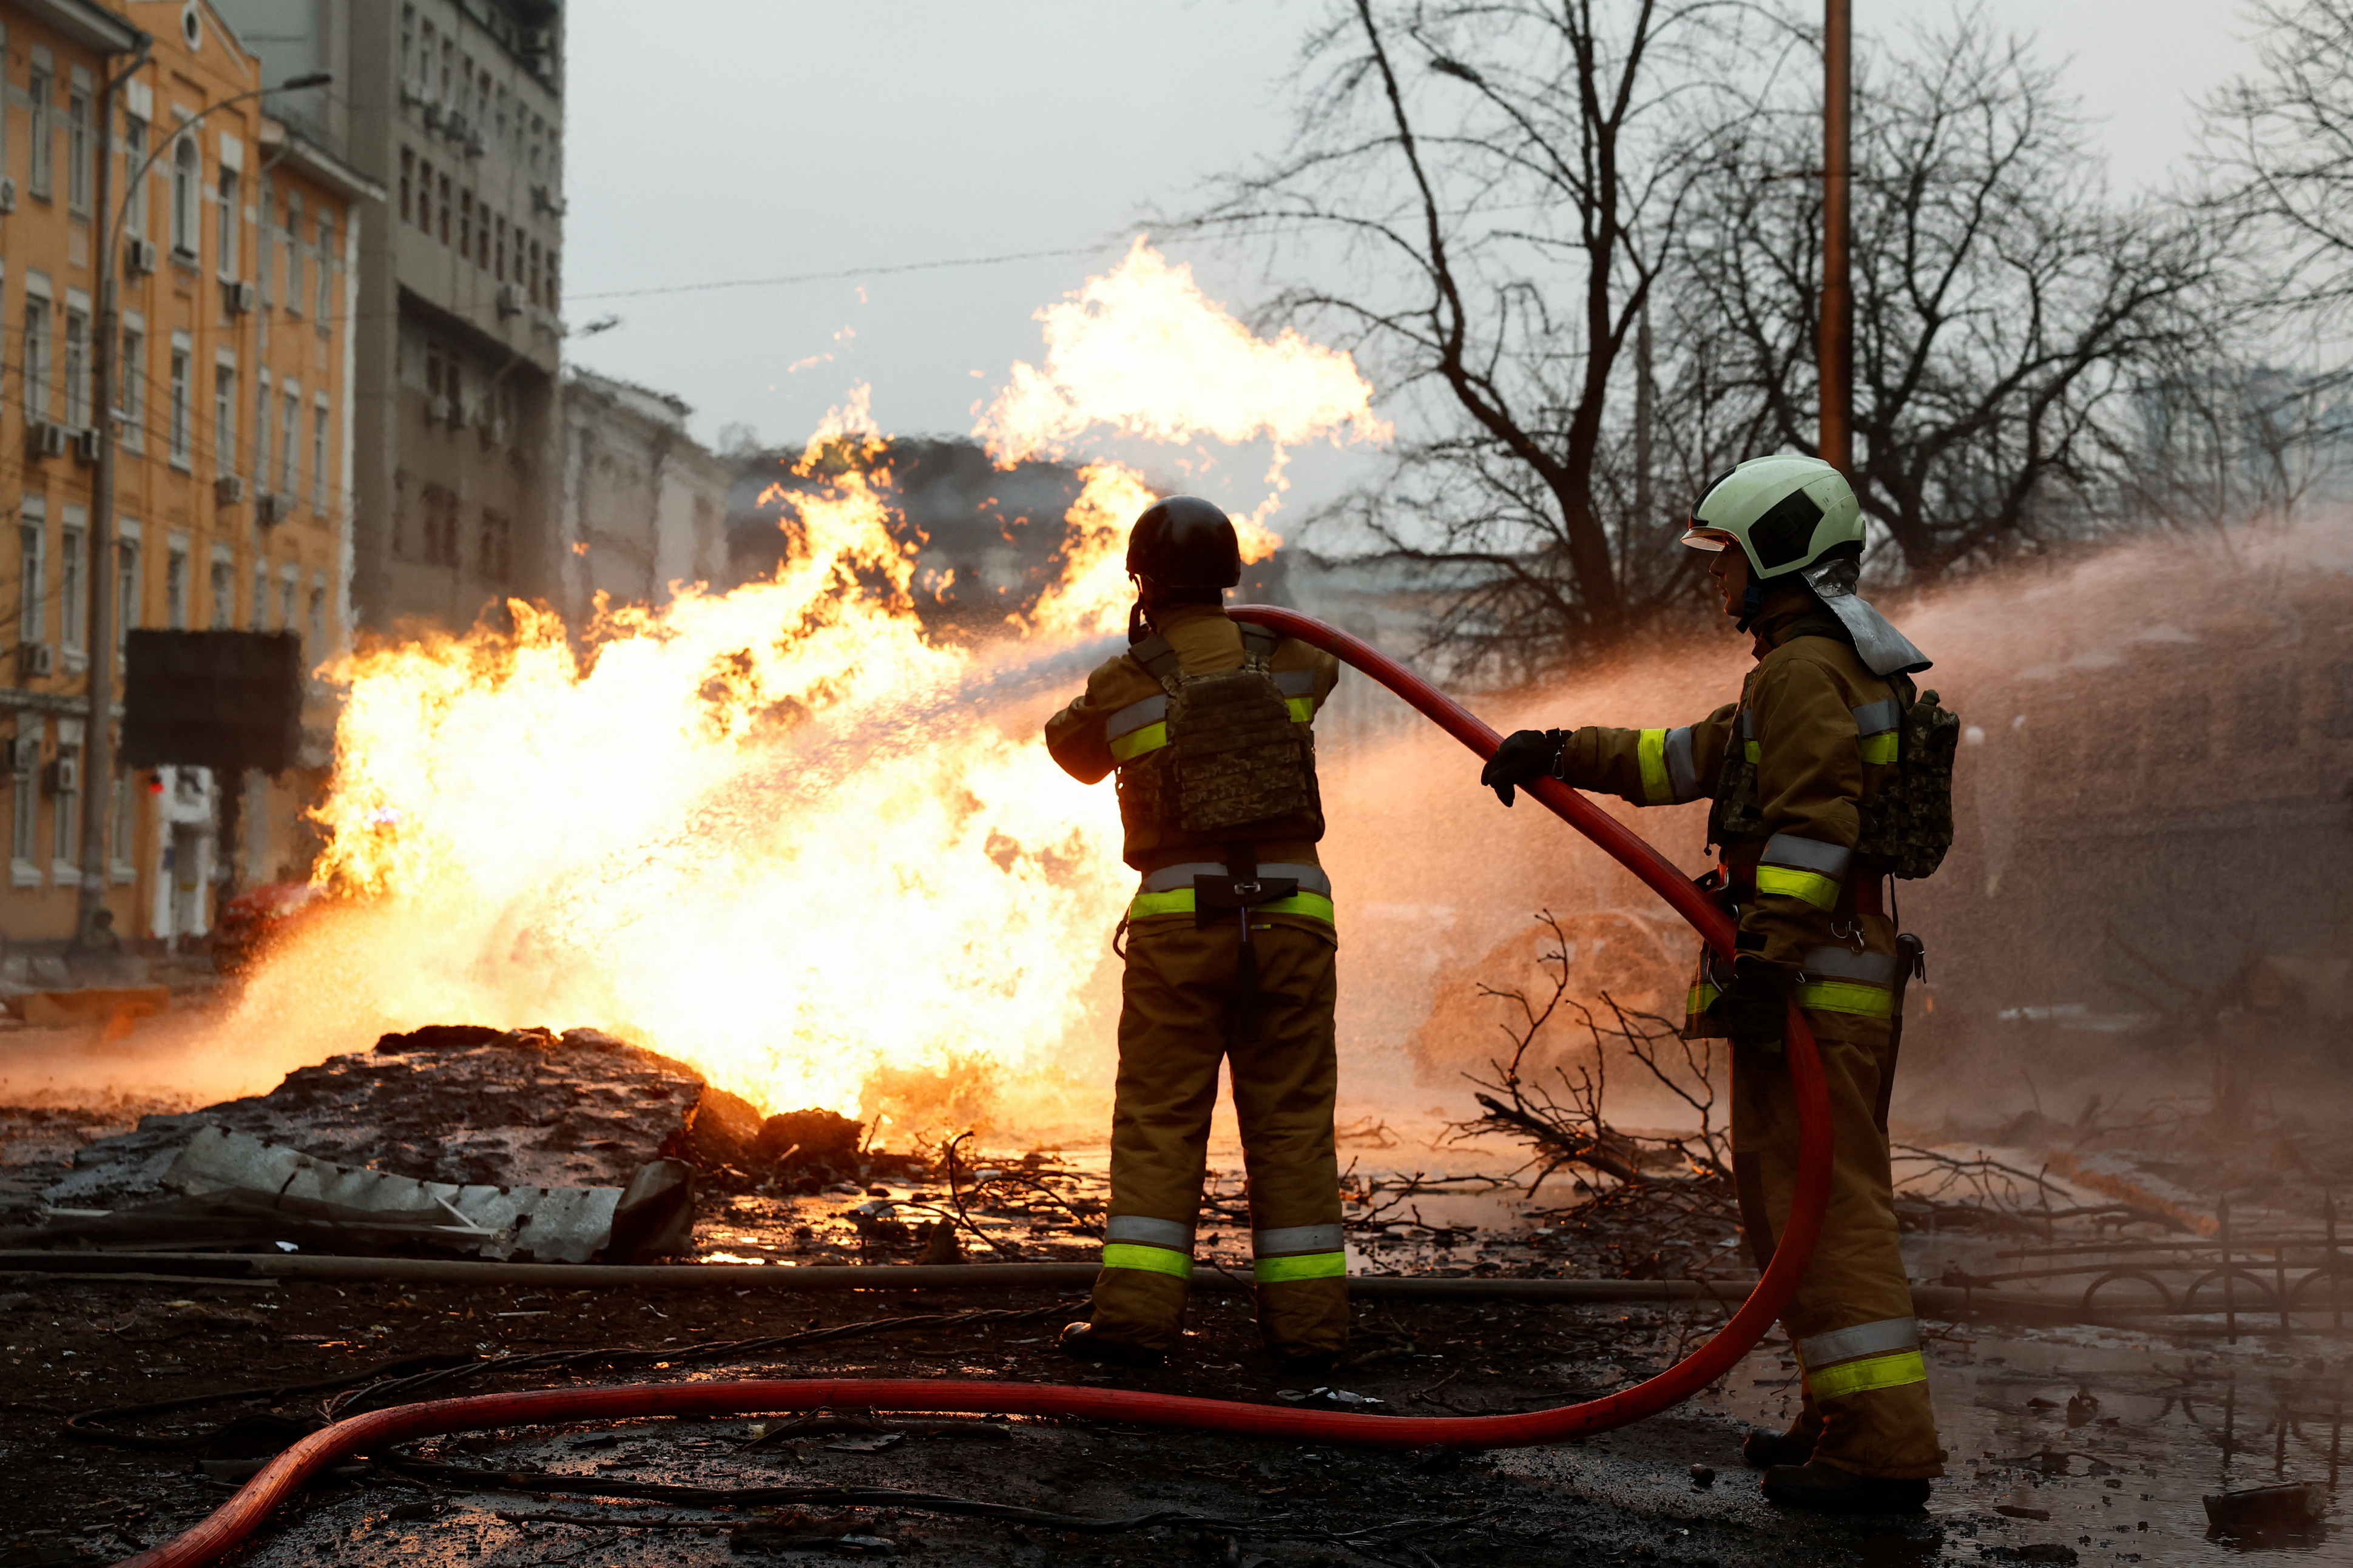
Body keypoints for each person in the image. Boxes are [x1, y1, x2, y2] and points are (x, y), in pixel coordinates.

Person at [1480, 454, 1946, 1511]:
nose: (1713, 579)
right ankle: (1840, 1411)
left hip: (1812, 975)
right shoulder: (1813, 668)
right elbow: (1680, 757)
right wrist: (1558, 750)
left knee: (1822, 1211)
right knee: (1793, 1210)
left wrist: (1769, 955)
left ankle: (1881, 1447)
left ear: (1774, 556)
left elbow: (1814, 828)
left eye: (1723, 558)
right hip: (1826, 972)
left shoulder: (1802, 672)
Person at [1043, 495, 1347, 1373]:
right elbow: (1326, 668)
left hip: (1183, 929)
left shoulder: (1126, 679)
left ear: (1143, 583)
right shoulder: (1290, 659)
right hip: (1293, 920)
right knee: (1291, 1125)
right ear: (1229, 577)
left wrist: (1146, 660)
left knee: (1160, 1122)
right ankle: (1309, 1338)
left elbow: (1070, 749)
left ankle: (1136, 1329)